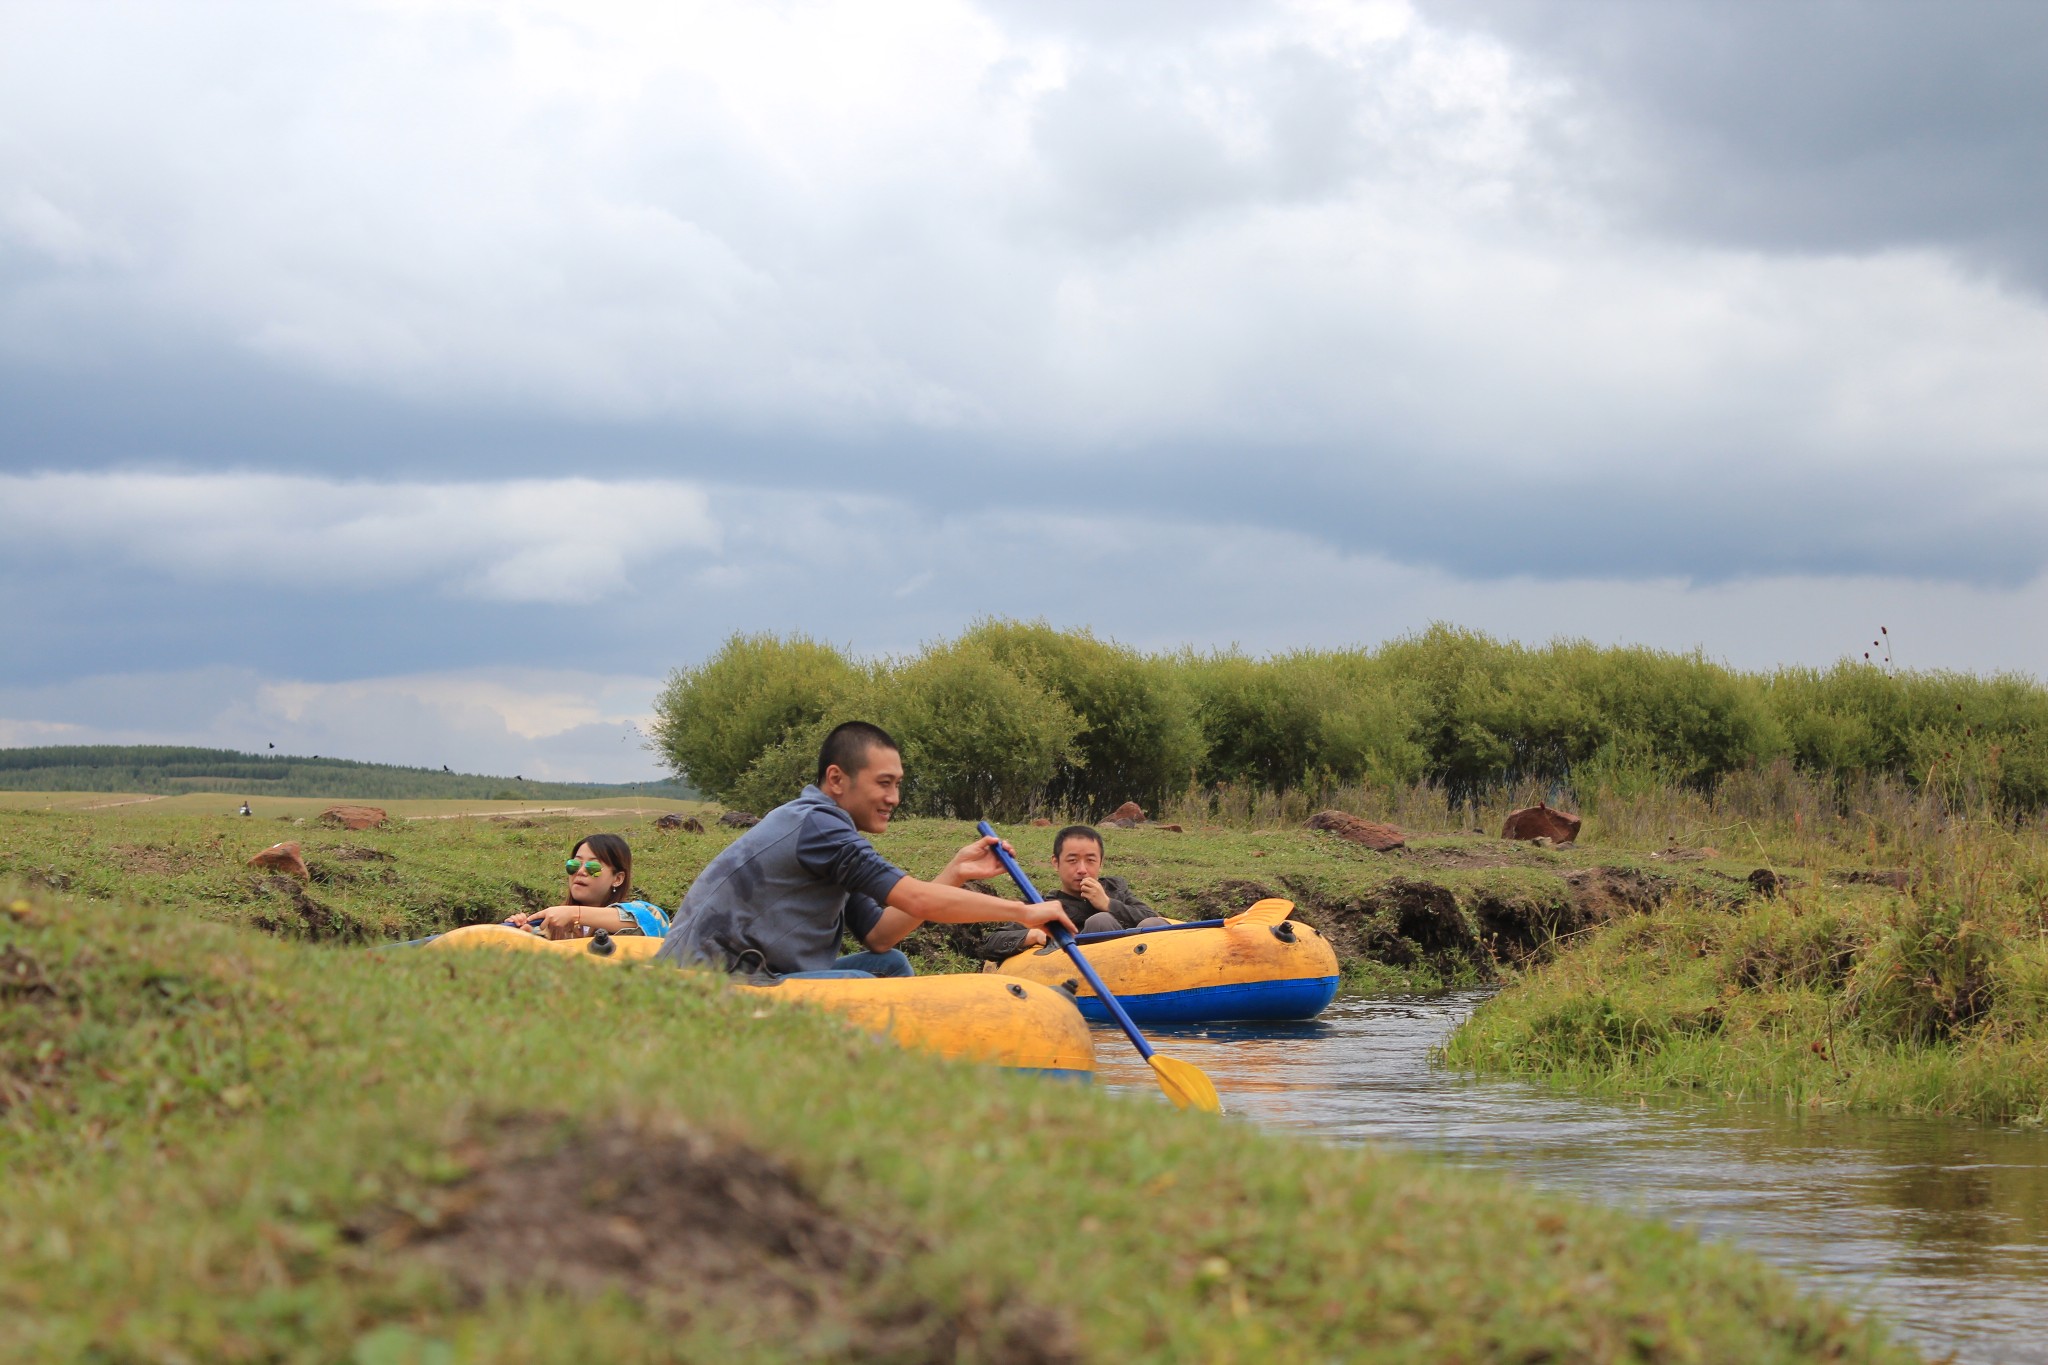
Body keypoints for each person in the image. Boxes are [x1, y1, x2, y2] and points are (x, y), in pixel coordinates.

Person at [656, 721, 1074, 979]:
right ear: (837, 779)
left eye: (898, 784)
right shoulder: (819, 826)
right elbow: (914, 896)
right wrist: (1025, 912)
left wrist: (955, 872)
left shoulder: (827, 833)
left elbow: (879, 935)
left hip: (757, 972)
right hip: (714, 979)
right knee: (869, 984)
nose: (894, 797)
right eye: (884, 783)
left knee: (889, 965)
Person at [971, 824, 1169, 961]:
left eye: (1090, 860)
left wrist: (1108, 904)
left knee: (1153, 923)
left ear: (1101, 862)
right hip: (1093, 975)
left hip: (1143, 966)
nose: (1082, 869)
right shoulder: (1043, 905)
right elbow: (990, 943)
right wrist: (1036, 935)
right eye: (1072, 860)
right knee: (1100, 921)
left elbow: (1151, 917)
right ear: (1056, 862)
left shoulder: (1114, 888)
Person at [505, 833, 671, 939]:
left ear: (618, 879)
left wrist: (573, 913)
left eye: (593, 867)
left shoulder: (642, 912)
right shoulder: (553, 925)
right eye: (574, 865)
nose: (580, 872)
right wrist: (523, 933)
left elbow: (651, 921)